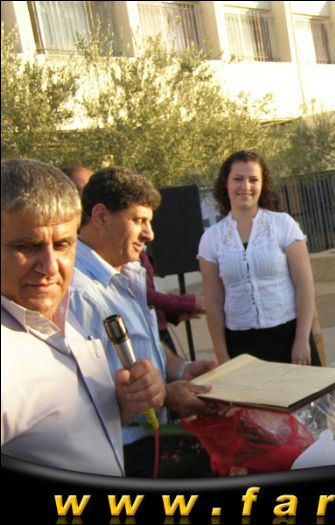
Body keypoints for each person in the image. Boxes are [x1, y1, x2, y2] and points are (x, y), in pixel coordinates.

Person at [1, 159, 163, 476]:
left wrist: (125, 403)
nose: (50, 266)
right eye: (26, 246)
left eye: (63, 244)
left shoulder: (60, 313)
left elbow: (71, 431)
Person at [69, 166, 216, 477]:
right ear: (100, 217)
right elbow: (85, 399)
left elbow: (142, 345)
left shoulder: (126, 272)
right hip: (122, 455)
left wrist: (180, 369)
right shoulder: (77, 294)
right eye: (138, 220)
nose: (150, 234)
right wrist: (166, 395)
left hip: (150, 444)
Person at [198, 150, 321, 366]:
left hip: (289, 336)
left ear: (263, 184)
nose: (246, 186)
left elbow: (304, 285)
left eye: (253, 180)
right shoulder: (211, 239)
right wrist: (222, 355)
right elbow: (214, 301)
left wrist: (302, 339)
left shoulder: (284, 225)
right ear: (225, 183)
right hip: (240, 345)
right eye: (238, 179)